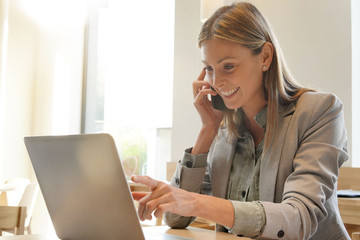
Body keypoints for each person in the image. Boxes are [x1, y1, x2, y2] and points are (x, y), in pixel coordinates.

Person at [131, 2, 350, 239]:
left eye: (228, 66)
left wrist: (196, 203)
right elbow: (176, 218)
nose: (216, 81)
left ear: (265, 57)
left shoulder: (320, 111)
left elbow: (298, 220)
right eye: (209, 69)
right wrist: (207, 129)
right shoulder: (224, 128)